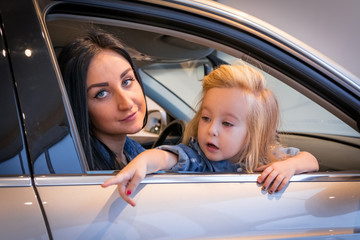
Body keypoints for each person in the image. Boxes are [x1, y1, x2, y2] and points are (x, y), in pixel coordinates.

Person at [102, 63, 319, 207]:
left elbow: (311, 161)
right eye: (206, 118)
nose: (211, 130)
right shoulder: (197, 158)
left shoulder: (269, 158)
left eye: (227, 123)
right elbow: (165, 158)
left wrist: (290, 166)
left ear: (254, 133)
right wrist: (142, 162)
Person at [58, 28, 148, 170]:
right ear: (79, 106)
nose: (126, 103)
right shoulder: (81, 170)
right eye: (101, 93)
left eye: (127, 81)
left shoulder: (132, 153)